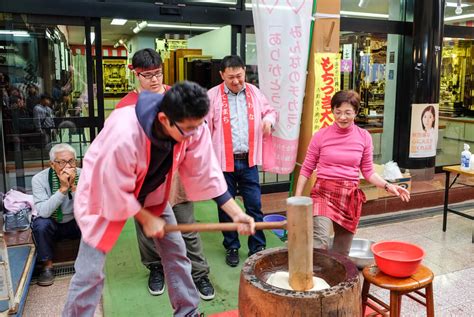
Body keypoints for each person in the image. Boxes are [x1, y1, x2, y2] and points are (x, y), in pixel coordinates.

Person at [62, 81, 255, 317]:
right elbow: (113, 188)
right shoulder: (124, 131)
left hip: (152, 191)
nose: (195, 134)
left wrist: (236, 213)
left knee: (176, 250)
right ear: (164, 119)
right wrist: (145, 218)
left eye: (198, 126)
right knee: (89, 272)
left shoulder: (191, 124)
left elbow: (206, 172)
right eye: (189, 129)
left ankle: (187, 311)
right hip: (103, 194)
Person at [116, 48, 215, 300]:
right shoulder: (126, 106)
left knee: (186, 226)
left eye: (158, 73)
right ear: (135, 74)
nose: (154, 79)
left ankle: (200, 273)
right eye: (147, 75)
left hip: (177, 175)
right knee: (149, 230)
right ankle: (155, 267)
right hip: (145, 181)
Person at [294, 90, 410, 256]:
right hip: (323, 194)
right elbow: (306, 168)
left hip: (348, 196)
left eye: (348, 113)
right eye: (338, 112)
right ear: (332, 111)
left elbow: (369, 172)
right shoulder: (320, 136)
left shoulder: (364, 137)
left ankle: (332, 280)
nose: (342, 117)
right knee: (319, 243)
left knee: (342, 253)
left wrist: (388, 186)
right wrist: (298, 198)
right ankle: (315, 278)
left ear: (356, 112)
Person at [207, 55, 276, 267]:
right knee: (226, 208)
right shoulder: (212, 96)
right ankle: (232, 246)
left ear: (244, 71)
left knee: (254, 205)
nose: (236, 81)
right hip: (223, 162)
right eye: (230, 78)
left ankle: (257, 247)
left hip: (249, 161)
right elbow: (204, 128)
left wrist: (268, 120)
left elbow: (270, 112)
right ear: (221, 76)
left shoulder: (254, 92)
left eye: (239, 76)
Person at [31, 143, 81, 286]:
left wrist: (73, 188)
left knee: (92, 220)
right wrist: (63, 189)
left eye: (71, 161)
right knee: (40, 225)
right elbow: (44, 212)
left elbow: (88, 208)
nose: (68, 166)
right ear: (52, 165)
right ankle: (47, 267)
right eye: (61, 162)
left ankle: (86, 263)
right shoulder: (39, 179)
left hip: (75, 220)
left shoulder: (84, 174)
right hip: (52, 221)